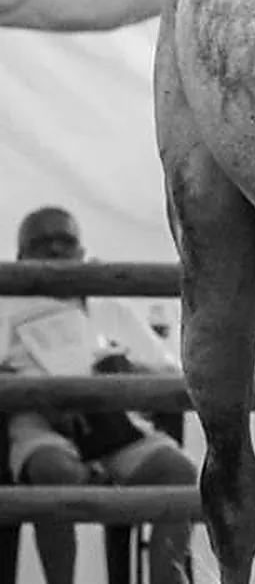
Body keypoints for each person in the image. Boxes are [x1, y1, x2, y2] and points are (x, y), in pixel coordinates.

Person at [2, 207, 196, 584]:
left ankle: (165, 579)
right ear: (21, 256)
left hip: (113, 423)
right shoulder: (4, 300)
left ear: (82, 250)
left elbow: (168, 371)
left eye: (66, 241)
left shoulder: (109, 299)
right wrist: (38, 396)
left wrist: (127, 375)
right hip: (41, 422)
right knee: (52, 471)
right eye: (43, 243)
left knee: (181, 473)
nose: (57, 250)